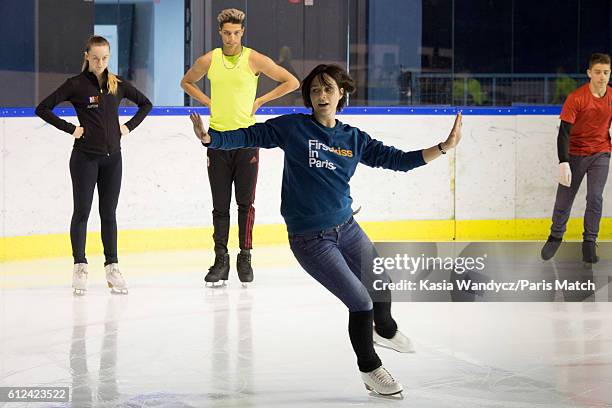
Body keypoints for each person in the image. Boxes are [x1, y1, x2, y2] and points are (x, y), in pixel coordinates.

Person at [189, 64, 462, 396]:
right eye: (315, 90)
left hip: (347, 228)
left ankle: (386, 330)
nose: (321, 95)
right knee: (360, 302)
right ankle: (370, 370)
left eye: (328, 89)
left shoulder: (354, 138)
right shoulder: (293, 128)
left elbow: (399, 161)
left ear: (341, 93)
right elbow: (251, 134)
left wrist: (445, 146)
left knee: (380, 284)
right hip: (311, 240)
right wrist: (211, 138)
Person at [180, 9, 299, 286]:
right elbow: (186, 82)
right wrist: (208, 101)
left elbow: (291, 82)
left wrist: (260, 101)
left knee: (246, 204)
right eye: (226, 33)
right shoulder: (209, 60)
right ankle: (220, 259)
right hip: (218, 140)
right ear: (220, 33)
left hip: (247, 140)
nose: (231, 38)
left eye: (236, 33)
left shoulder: (254, 58)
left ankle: (245, 256)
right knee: (220, 206)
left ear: (242, 32)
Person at [35, 35, 152, 295]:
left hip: (113, 159)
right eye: (96, 57)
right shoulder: (75, 85)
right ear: (87, 55)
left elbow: (146, 104)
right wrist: (71, 129)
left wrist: (127, 127)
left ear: (109, 58)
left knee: (109, 215)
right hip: (85, 159)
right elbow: (42, 108)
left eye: (105, 58)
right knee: (82, 213)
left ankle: (112, 267)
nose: (100, 62)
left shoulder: (117, 83)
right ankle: (80, 265)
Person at [541, 53, 611, 264]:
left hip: (601, 153)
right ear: (589, 73)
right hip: (575, 154)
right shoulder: (577, 98)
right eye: (597, 72)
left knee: (595, 198)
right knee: (564, 200)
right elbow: (563, 132)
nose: (602, 77)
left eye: (606, 73)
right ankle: (555, 236)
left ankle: (589, 242)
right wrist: (564, 161)